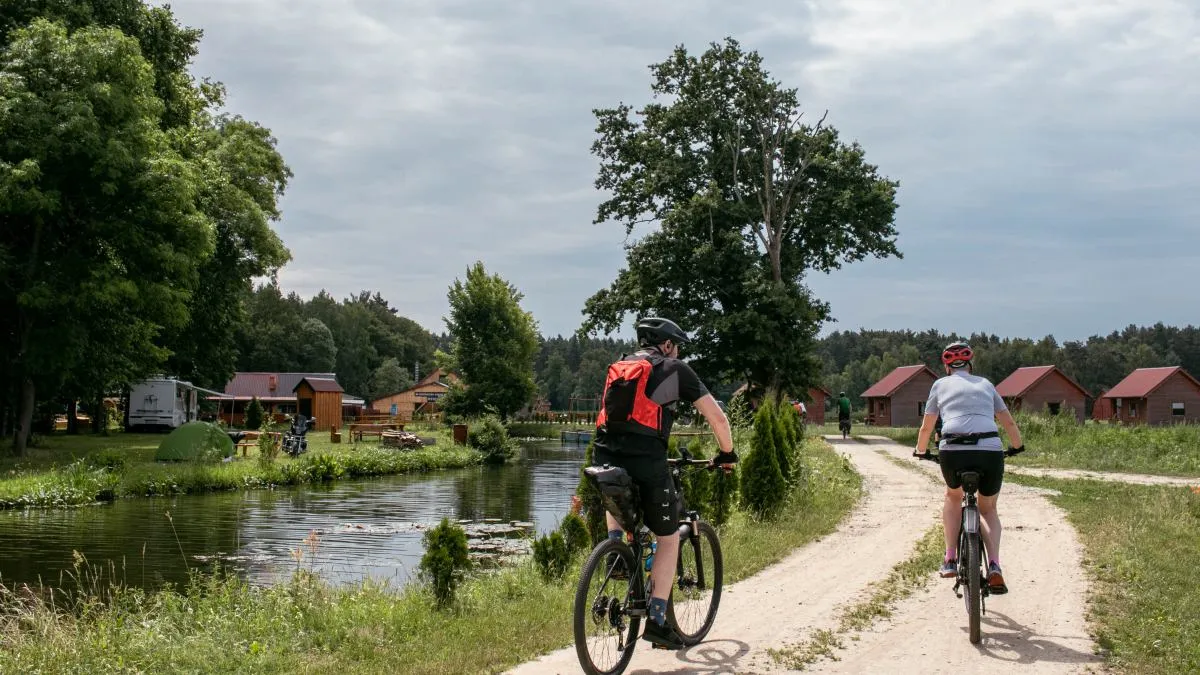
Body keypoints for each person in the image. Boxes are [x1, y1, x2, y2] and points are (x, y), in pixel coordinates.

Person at [591, 317, 738, 649]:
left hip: (604, 455)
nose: (678, 353)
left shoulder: (620, 366)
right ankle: (657, 621)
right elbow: (717, 416)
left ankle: (616, 549)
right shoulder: (675, 370)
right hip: (647, 459)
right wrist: (727, 454)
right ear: (668, 345)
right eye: (677, 347)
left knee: (615, 492)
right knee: (668, 538)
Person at [913, 342, 1024, 594]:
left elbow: (927, 426)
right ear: (970, 364)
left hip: (953, 450)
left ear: (947, 366)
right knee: (988, 509)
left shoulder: (940, 385)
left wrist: (921, 450)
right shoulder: (986, 384)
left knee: (953, 496)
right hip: (990, 451)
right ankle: (994, 566)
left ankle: (950, 558)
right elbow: (1007, 421)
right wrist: (1017, 446)